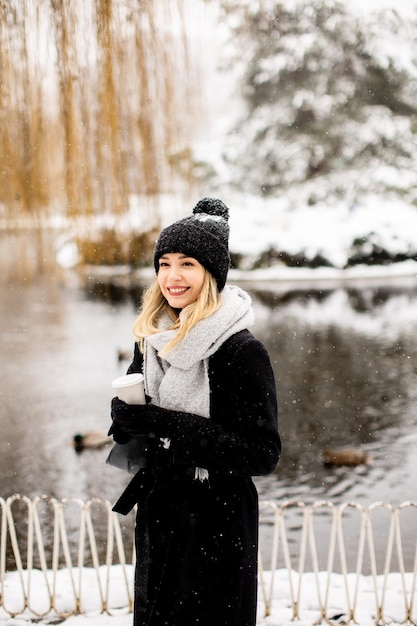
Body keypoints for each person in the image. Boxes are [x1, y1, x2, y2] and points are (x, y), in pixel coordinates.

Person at [109, 197, 281, 626]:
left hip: (217, 521)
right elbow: (148, 425)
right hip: (161, 508)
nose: (172, 276)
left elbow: (261, 454)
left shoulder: (241, 350)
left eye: (187, 263)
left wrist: (166, 423)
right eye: (164, 263)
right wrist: (126, 420)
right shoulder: (152, 339)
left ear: (212, 273)